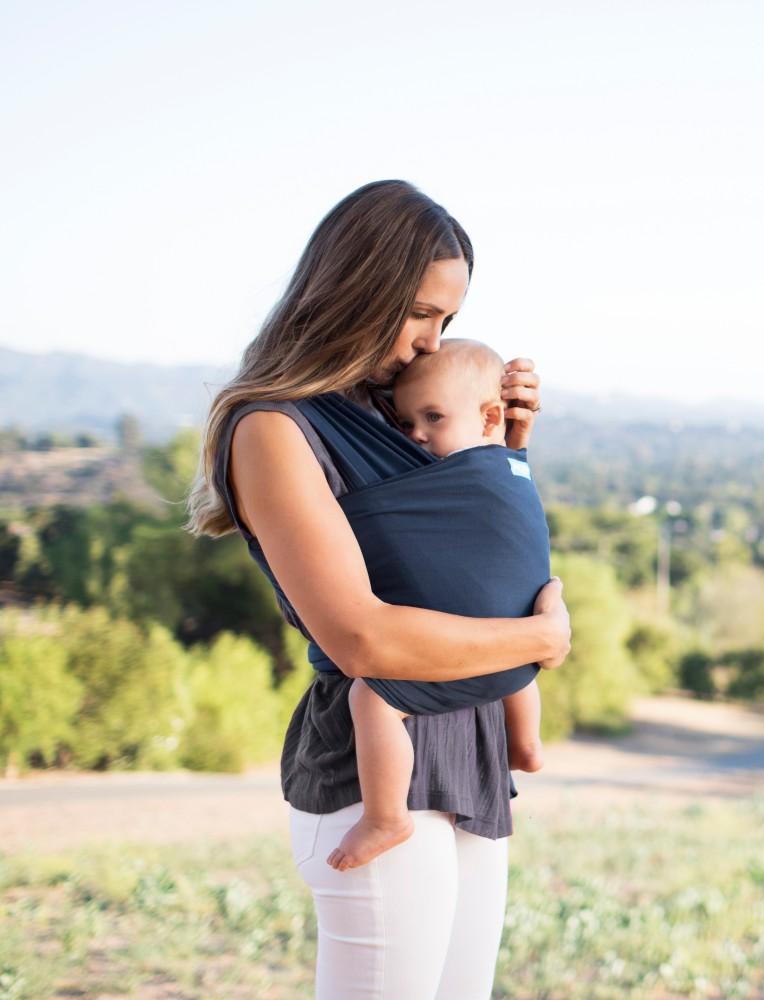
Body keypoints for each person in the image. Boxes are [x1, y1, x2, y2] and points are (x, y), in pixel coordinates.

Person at [184, 179, 571, 1000]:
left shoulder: (407, 413)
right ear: (358, 290)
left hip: (467, 749)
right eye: (421, 314)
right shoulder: (276, 428)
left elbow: (475, 559)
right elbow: (362, 636)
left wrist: (495, 444)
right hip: (374, 765)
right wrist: (540, 641)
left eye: (449, 323)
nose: (432, 343)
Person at [329, 337, 547, 873]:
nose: (418, 436)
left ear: (490, 415)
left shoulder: (451, 479)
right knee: (513, 657)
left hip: (478, 651)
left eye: (433, 417)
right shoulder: (513, 467)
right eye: (406, 425)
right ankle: (528, 747)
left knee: (372, 699)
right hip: (519, 657)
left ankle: (385, 816)